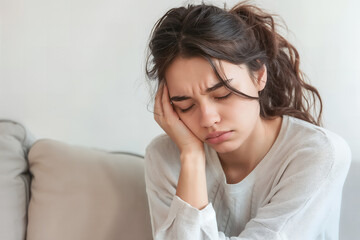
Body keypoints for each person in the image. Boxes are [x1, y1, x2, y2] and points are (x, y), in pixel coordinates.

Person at [144, 2, 351, 239]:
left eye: (222, 94)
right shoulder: (165, 157)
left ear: (259, 75)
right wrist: (191, 156)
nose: (208, 119)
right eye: (186, 106)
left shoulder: (317, 153)